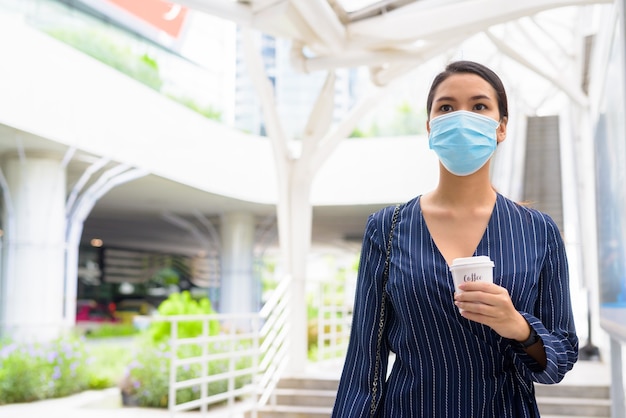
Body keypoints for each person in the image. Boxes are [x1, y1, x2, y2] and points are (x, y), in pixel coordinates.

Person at [331, 60, 578, 417]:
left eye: (479, 106)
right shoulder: (387, 228)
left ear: (501, 127)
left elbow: (562, 355)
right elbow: (363, 362)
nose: (462, 118)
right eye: (446, 107)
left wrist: (518, 327)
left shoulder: (539, 231)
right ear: (430, 127)